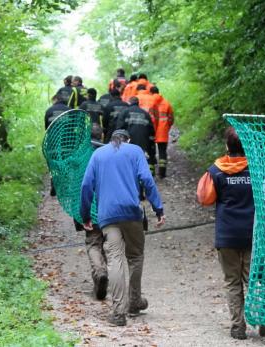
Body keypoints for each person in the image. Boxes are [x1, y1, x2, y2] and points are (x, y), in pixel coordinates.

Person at [80, 129, 165, 327]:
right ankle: (134, 302)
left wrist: (85, 215)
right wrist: (158, 208)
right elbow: (147, 180)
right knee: (135, 256)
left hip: (107, 216)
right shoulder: (135, 151)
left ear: (110, 140)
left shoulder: (98, 154)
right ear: (128, 139)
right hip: (132, 212)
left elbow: (86, 186)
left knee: (115, 259)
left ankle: (118, 313)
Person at [196, 127, 265, 340]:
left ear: (227, 146)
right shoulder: (257, 169)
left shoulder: (216, 170)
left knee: (232, 281)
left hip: (227, 234)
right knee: (254, 279)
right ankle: (263, 317)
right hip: (253, 234)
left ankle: (238, 326)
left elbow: (204, 198)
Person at [73, 123, 109, 300]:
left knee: (93, 243)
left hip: (90, 207)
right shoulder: (109, 154)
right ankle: (103, 278)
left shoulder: (79, 156)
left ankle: (100, 273)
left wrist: (79, 214)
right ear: (101, 136)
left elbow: (74, 187)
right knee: (109, 243)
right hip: (110, 207)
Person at [115, 96, 157, 175]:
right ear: (138, 103)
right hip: (143, 143)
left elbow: (119, 129)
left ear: (129, 103)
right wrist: (150, 145)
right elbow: (151, 131)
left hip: (128, 143)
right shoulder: (146, 114)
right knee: (140, 161)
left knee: (129, 163)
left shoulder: (125, 112)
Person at [44, 94, 70, 196]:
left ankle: (54, 185)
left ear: (55, 100)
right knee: (66, 164)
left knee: (53, 164)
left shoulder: (49, 111)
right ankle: (66, 187)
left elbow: (47, 128)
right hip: (67, 143)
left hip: (53, 142)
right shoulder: (70, 110)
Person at [150, 86, 173, 178]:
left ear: (151, 93)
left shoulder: (150, 103)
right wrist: (167, 126)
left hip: (151, 130)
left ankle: (151, 173)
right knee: (162, 151)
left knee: (151, 152)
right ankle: (162, 173)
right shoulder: (166, 103)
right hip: (163, 131)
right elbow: (171, 118)